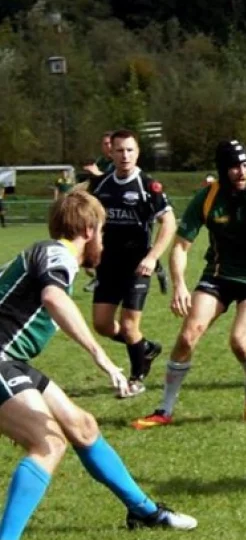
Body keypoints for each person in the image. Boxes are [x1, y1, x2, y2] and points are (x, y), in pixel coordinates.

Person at [0, 192, 195, 540]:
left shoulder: (42, 252)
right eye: (102, 232)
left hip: (10, 360)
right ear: (89, 230)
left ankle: (145, 512)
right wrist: (103, 358)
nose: (103, 242)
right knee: (49, 442)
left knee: (82, 426)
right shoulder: (58, 256)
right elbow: (54, 297)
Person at [132, 140, 246, 428]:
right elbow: (180, 246)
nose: (241, 172)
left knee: (240, 343)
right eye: (234, 167)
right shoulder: (207, 198)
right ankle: (164, 410)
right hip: (219, 276)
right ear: (222, 169)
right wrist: (179, 285)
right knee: (188, 336)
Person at [86, 130, 175, 397]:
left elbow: (168, 223)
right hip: (108, 264)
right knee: (102, 325)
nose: (125, 155)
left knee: (127, 325)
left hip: (138, 266)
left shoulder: (149, 186)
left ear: (137, 152)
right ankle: (144, 347)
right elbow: (92, 222)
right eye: (119, 150)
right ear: (110, 153)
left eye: (130, 150)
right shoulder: (101, 186)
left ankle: (137, 378)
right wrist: (89, 254)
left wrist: (152, 257)